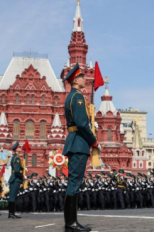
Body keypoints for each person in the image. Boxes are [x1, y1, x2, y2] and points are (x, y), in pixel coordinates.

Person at [62, 63, 102, 232]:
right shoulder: (77, 97)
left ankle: (72, 222)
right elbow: (82, 124)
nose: (85, 80)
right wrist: (93, 141)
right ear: (76, 80)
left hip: (75, 141)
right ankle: (71, 223)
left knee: (75, 182)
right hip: (79, 142)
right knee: (74, 183)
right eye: (82, 77)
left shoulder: (72, 96)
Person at [8, 142, 24, 219]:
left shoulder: (14, 157)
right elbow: (17, 170)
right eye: (19, 147)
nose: (20, 148)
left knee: (12, 196)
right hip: (16, 178)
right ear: (16, 149)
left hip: (13, 178)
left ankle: (11, 213)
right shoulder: (17, 158)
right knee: (13, 197)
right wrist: (22, 176)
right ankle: (11, 213)